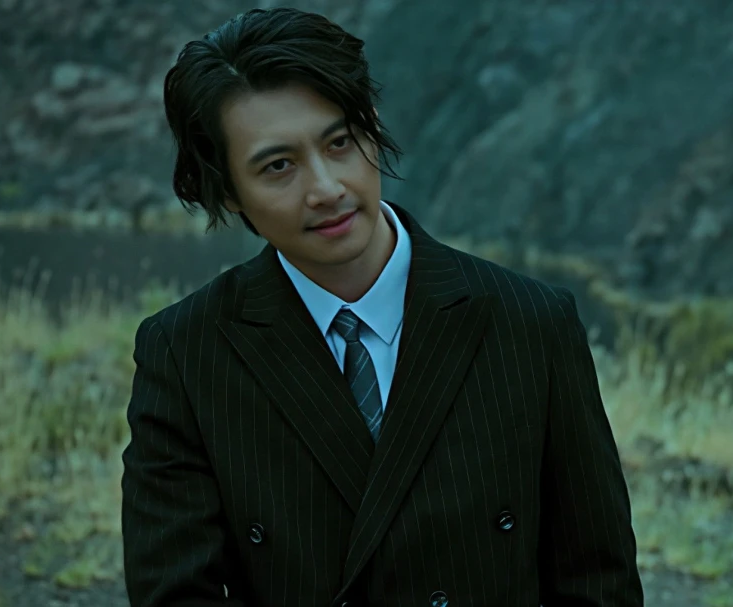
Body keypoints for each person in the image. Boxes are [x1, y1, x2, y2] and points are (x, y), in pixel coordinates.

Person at [120, 6, 644, 606]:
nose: (326, 189)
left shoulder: (531, 323)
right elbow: (174, 593)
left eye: (339, 142)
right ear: (228, 191)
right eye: (278, 166)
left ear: (371, 128)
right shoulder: (186, 353)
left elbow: (598, 583)